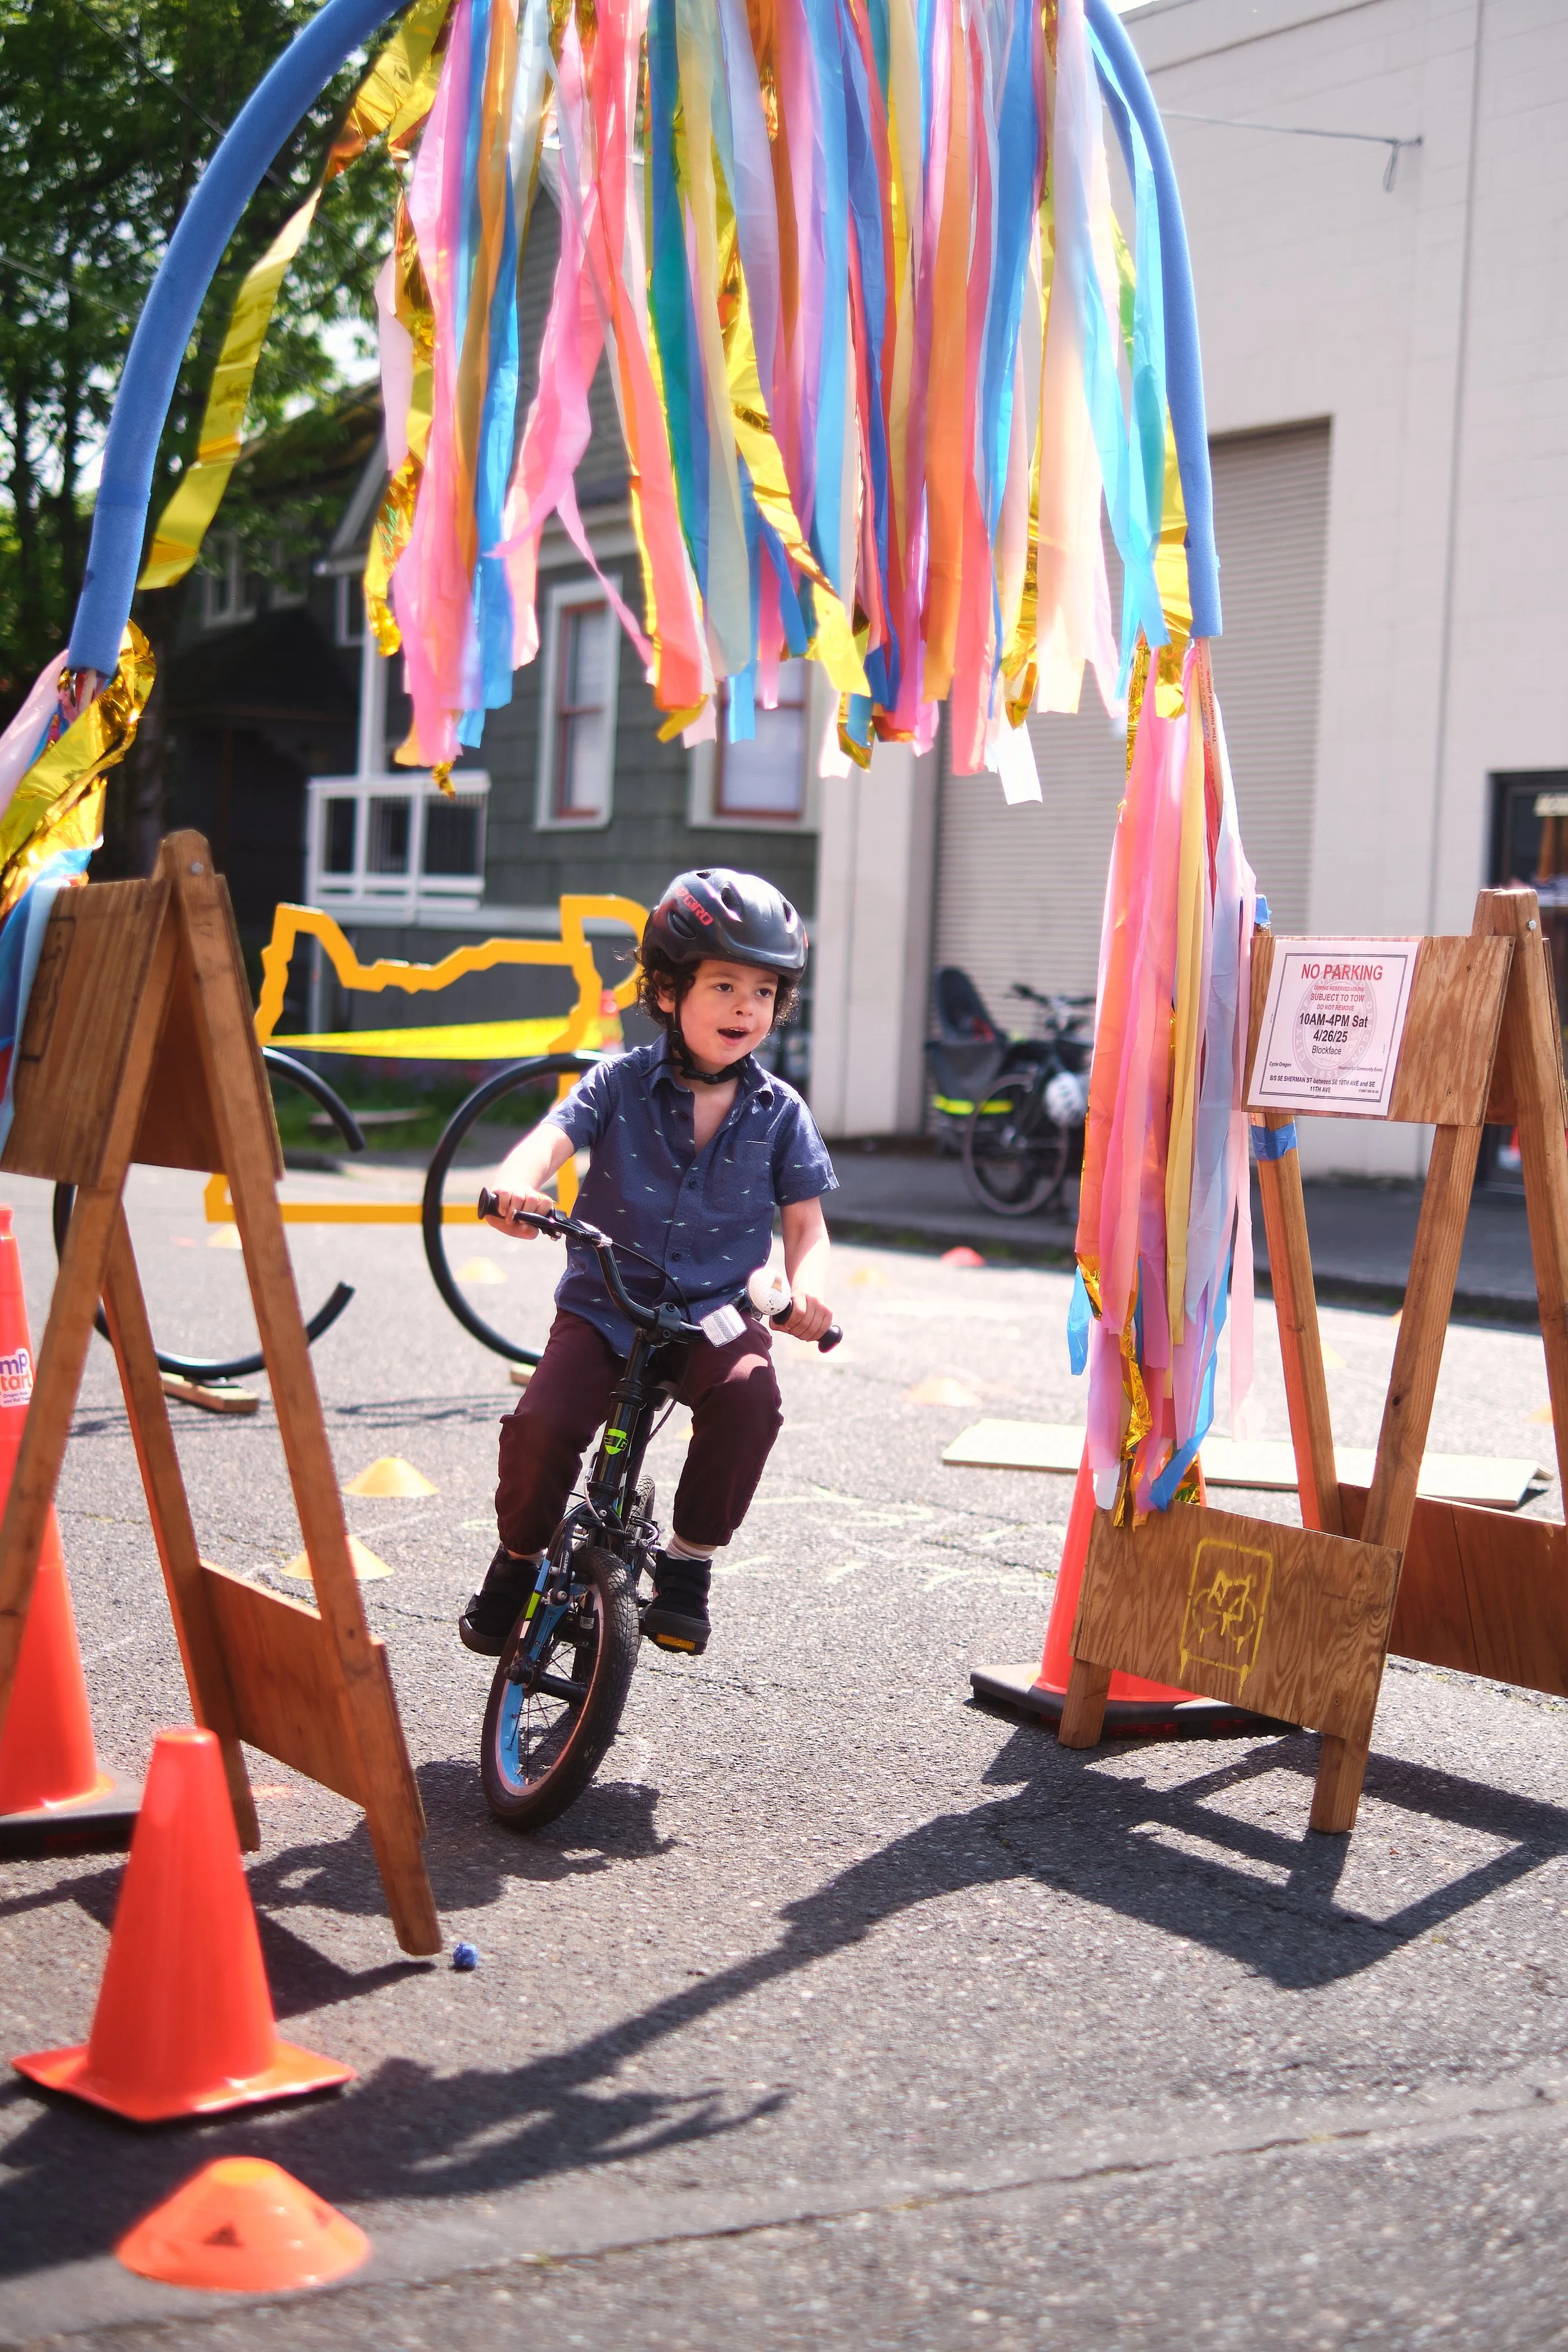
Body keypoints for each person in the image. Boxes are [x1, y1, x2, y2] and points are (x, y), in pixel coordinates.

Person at [459, 868, 837, 1659]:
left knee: (750, 1399)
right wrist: (515, 1186)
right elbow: (551, 1138)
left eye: (765, 992)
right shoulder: (620, 1083)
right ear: (666, 992)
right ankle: (519, 1557)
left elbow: (806, 1224)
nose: (746, 1007)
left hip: (716, 1315)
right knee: (539, 1430)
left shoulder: (780, 1113)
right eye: (724, 984)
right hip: (606, 1307)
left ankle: (689, 1563)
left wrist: (809, 1292)